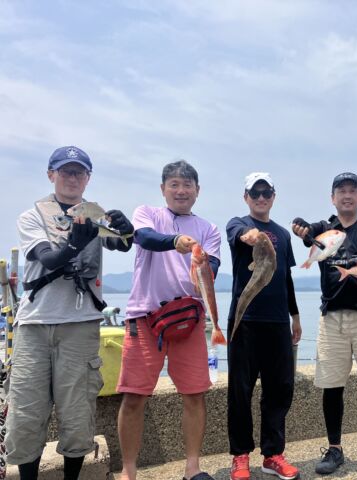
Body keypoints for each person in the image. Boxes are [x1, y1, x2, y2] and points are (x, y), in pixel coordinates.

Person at [6, 146, 133, 480]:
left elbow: (122, 243)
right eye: (65, 171)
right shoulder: (32, 216)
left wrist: (126, 228)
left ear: (88, 178)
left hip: (80, 325)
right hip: (35, 326)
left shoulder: (94, 215)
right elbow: (48, 259)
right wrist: (74, 243)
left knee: (77, 414)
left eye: (79, 172)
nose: (72, 178)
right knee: (27, 413)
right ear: (51, 174)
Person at [116, 160, 221, 480]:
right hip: (144, 317)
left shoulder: (209, 229)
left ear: (198, 191)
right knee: (133, 395)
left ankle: (193, 468)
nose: (181, 190)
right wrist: (174, 242)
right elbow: (145, 238)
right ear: (163, 189)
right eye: (174, 184)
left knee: (195, 394)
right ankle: (128, 471)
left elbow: (212, 269)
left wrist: (204, 268)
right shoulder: (147, 213)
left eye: (188, 185)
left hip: (189, 319)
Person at [291, 172, 357, 480]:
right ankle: (334, 449)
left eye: (353, 190)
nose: (347, 195)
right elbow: (306, 231)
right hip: (332, 317)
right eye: (341, 191)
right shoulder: (325, 229)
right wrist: (301, 227)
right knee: (331, 386)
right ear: (333, 198)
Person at [226, 172, 301, 480]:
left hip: (277, 322)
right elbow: (237, 233)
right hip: (244, 321)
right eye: (254, 193)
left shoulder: (283, 234)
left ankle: (273, 455)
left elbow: (286, 278)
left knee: (279, 389)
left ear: (273, 196)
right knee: (240, 390)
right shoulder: (237, 223)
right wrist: (250, 235)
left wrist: (295, 316)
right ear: (246, 197)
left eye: (266, 193)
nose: (260, 198)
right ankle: (240, 455)